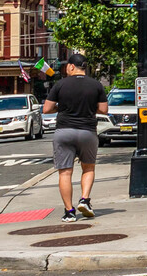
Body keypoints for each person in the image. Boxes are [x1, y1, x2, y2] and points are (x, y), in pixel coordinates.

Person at [41, 55, 107, 221]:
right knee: (89, 168)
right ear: (84, 67)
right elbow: (104, 109)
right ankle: (84, 199)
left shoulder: (60, 84)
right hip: (87, 132)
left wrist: (61, 107)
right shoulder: (96, 85)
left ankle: (69, 212)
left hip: (64, 131)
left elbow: (46, 109)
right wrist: (90, 108)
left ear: (70, 67)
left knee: (65, 172)